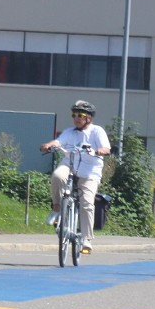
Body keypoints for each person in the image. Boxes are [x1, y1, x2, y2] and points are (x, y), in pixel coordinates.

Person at [40, 100, 111, 255]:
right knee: (58, 175)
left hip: (90, 171)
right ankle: (57, 208)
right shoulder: (69, 132)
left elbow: (106, 147)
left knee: (87, 203)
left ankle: (87, 239)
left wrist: (101, 151)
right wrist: (49, 145)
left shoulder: (97, 131)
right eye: (74, 115)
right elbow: (59, 141)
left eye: (81, 115)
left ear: (89, 118)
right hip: (70, 165)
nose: (76, 118)